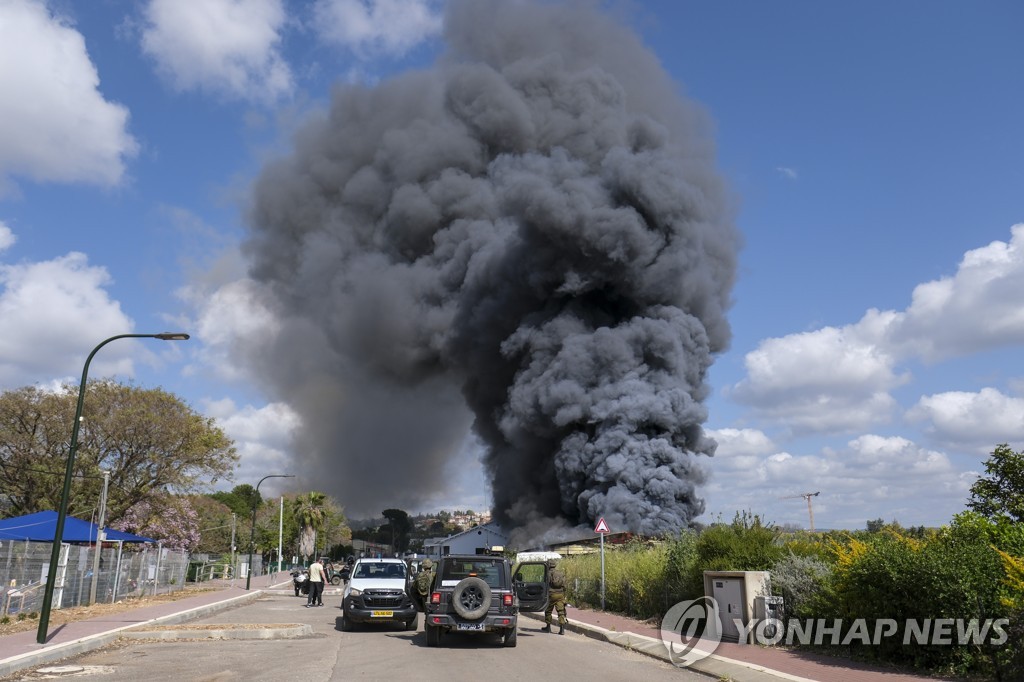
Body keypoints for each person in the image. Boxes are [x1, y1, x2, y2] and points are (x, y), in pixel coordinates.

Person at [541, 558, 567, 634]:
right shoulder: (560, 573)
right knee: (561, 611)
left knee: (548, 611)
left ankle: (548, 627)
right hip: (560, 595)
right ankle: (562, 629)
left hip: (551, 595)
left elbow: (545, 585)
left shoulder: (548, 574)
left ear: (548, 565)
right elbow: (565, 585)